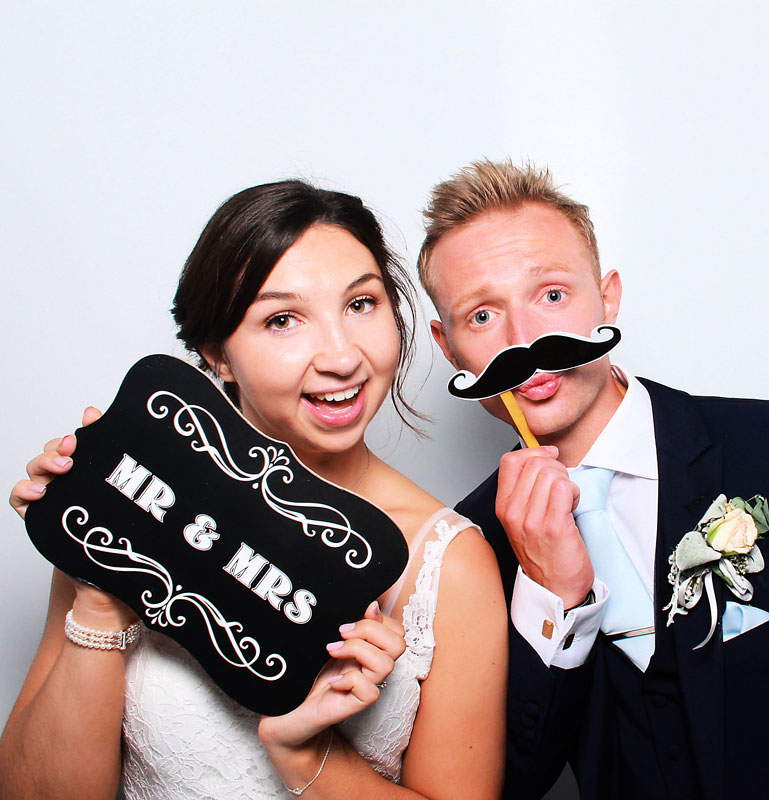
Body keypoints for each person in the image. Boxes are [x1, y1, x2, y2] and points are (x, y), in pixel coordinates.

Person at [2, 180, 507, 800]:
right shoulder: (133, 505)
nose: (341, 356)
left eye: (361, 304)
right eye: (282, 319)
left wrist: (306, 756)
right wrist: (99, 595)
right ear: (215, 352)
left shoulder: (448, 564)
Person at [417, 159, 769, 799]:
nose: (524, 340)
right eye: (481, 317)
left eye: (552, 295)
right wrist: (551, 598)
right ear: (448, 345)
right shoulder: (464, 553)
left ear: (608, 296)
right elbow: (505, 783)